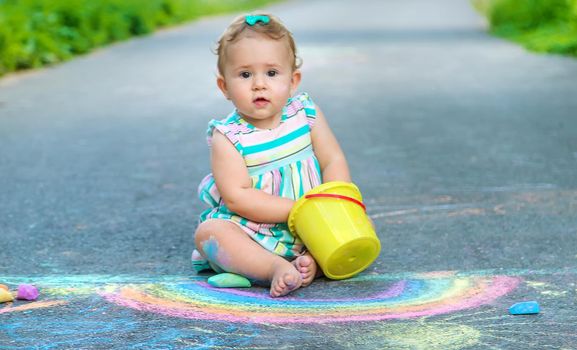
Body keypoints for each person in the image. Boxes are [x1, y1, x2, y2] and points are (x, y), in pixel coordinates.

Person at [192, 13, 351, 297]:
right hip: (254, 231)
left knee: (358, 222)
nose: (259, 84)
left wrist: (337, 203)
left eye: (272, 73)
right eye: (245, 74)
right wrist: (297, 210)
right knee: (210, 233)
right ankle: (270, 267)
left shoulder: (305, 113)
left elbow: (332, 159)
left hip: (314, 223)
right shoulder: (228, 136)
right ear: (224, 86)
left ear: (293, 81)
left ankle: (310, 261)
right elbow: (236, 196)